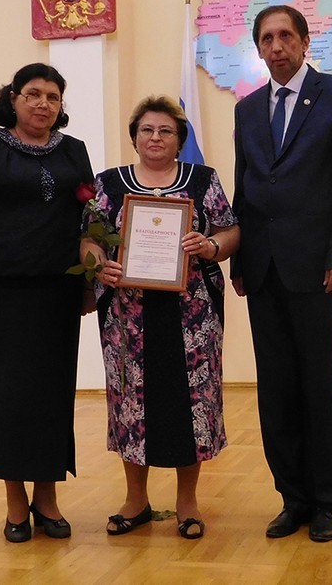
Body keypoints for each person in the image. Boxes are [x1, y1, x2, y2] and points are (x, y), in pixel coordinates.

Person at [231, 5, 332, 543]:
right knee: (276, 389)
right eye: (267, 39)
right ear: (258, 49)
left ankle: (326, 503)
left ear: (305, 41)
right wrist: (240, 261)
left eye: (286, 35)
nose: (277, 46)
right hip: (263, 269)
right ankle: (291, 499)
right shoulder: (247, 110)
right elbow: (245, 188)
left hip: (317, 269)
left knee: (316, 385)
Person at [0, 63, 94, 543]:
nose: (43, 103)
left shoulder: (74, 151)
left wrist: (90, 283)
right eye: (33, 94)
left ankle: (47, 499)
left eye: (53, 96)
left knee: (50, 398)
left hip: (56, 297)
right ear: (13, 98)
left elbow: (90, 222)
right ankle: (14, 502)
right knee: (6, 400)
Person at [82, 95, 239, 540]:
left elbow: (230, 230)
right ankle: (136, 500)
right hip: (127, 318)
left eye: (165, 130)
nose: (155, 137)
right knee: (131, 404)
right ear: (134, 137)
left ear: (179, 140)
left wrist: (211, 246)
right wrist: (98, 265)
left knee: (192, 403)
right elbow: (89, 239)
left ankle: (187, 501)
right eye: (147, 130)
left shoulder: (202, 180)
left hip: (192, 318)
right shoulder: (109, 184)